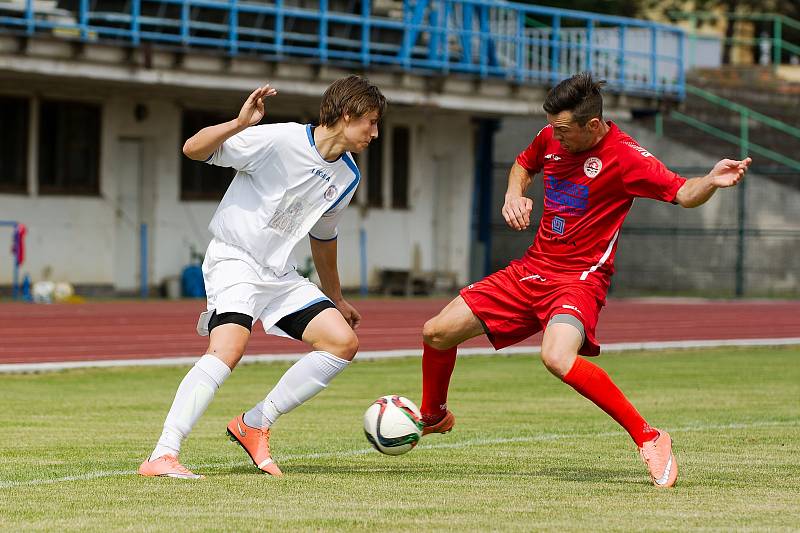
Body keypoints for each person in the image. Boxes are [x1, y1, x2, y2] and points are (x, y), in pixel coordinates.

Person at [419, 72, 750, 488]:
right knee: (436, 332)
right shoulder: (551, 136)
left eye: (563, 131)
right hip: (531, 269)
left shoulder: (627, 157)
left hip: (580, 279)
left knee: (556, 357)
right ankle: (433, 415)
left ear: (593, 125)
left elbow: (683, 193)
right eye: (552, 129)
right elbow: (523, 165)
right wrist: (513, 193)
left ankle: (650, 437)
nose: (555, 139)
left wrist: (711, 181)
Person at [138, 75, 387, 479]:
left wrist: (336, 298)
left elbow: (323, 237)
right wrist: (239, 124)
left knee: (342, 342)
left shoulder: (347, 177)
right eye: (371, 122)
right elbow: (193, 149)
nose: (375, 133)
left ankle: (254, 423)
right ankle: (163, 453)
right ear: (347, 115)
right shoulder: (280, 140)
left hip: (278, 274)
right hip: (234, 259)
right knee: (229, 348)